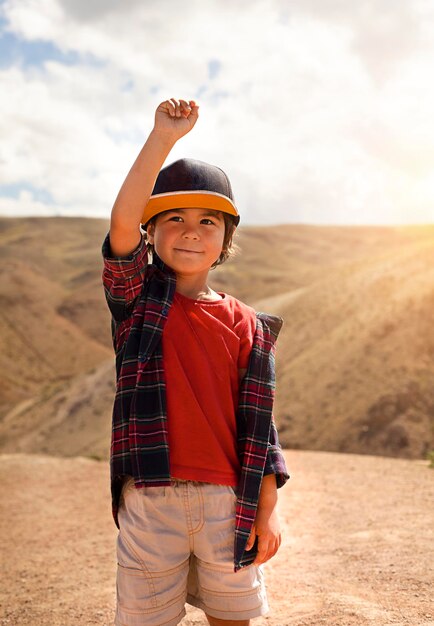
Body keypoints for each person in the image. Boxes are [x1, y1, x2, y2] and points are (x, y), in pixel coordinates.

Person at [102, 98, 289, 626]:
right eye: (174, 218)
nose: (190, 231)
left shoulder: (248, 323)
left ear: (225, 240)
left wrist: (266, 511)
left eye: (208, 221)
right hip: (150, 496)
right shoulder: (137, 301)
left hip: (229, 500)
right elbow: (121, 223)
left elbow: (260, 427)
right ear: (150, 233)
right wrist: (163, 138)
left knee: (233, 618)